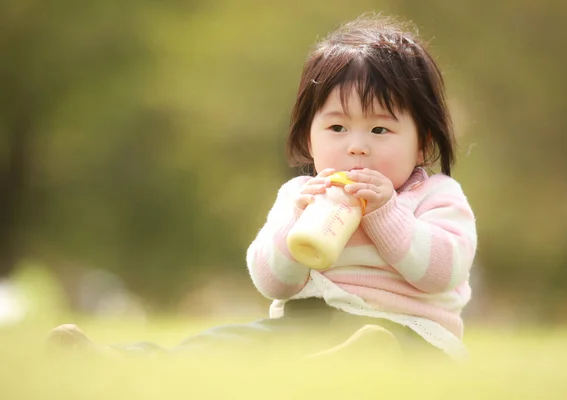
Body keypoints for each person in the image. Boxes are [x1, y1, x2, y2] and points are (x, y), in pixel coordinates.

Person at [47, 13, 477, 362]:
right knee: (227, 343)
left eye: (380, 129)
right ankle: (123, 359)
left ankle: (356, 358)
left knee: (381, 347)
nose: (356, 147)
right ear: (309, 137)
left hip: (409, 335)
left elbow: (442, 271)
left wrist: (385, 213)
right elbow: (272, 281)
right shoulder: (300, 196)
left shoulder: (434, 196)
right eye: (337, 127)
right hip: (304, 326)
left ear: (422, 141)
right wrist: (295, 226)